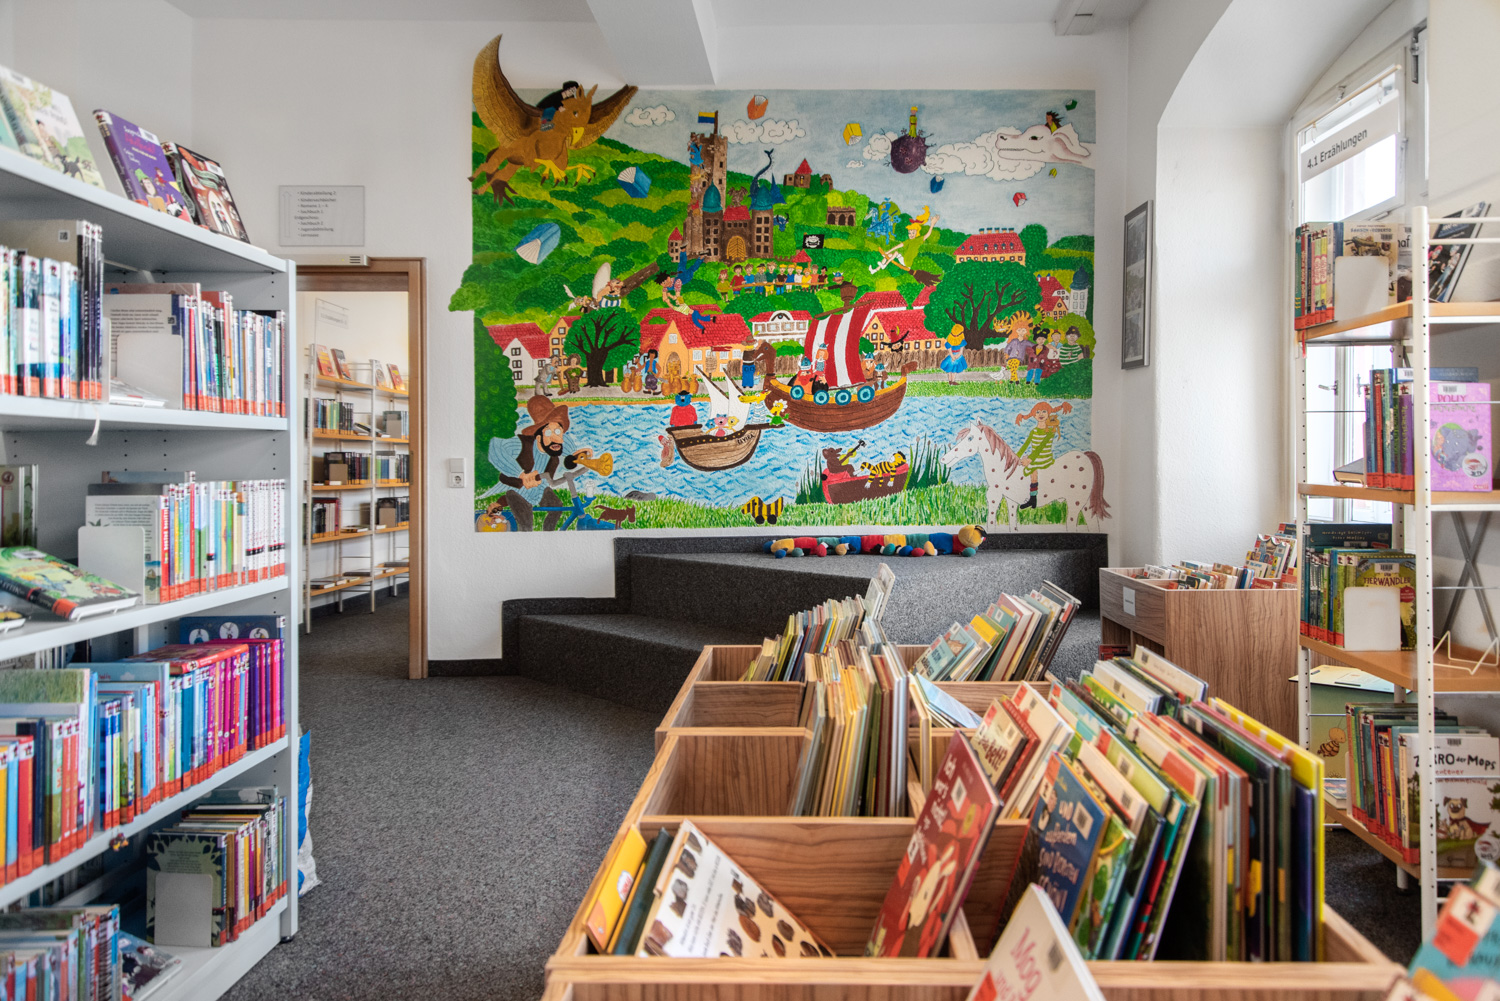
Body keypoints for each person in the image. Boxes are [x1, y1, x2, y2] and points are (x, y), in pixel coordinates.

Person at [490, 395, 594, 531]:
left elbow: (569, 452)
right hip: (516, 492)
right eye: (549, 432)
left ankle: (548, 534)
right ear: (538, 438)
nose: (556, 437)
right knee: (526, 522)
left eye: (558, 431)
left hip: (539, 491)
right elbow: (495, 447)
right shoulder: (522, 444)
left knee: (557, 507)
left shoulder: (555, 446)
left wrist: (580, 455)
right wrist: (521, 474)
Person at [1013, 400, 1073, 510]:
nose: (1041, 414)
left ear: (1049, 413)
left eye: (1044, 411)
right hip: (1034, 456)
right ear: (1034, 415)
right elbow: (1026, 445)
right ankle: (1031, 499)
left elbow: (1041, 447)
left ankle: (1033, 499)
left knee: (1032, 470)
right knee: (1021, 466)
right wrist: (1015, 457)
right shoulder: (1034, 431)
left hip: (1045, 457)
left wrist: (1030, 459)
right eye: (1037, 412)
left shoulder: (1050, 430)